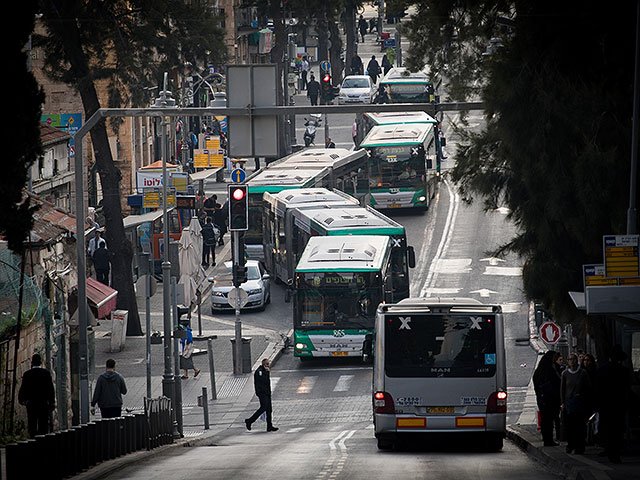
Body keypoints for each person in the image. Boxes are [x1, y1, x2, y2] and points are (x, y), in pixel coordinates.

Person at [596, 345, 631, 463]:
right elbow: (627, 388)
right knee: (618, 429)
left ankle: (609, 449)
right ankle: (615, 452)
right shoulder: (624, 371)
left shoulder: (602, 370)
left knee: (607, 428)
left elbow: (597, 388)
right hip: (619, 405)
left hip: (605, 405)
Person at [561, 353, 592, 454]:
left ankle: (580, 446)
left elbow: (588, 388)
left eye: (574, 359)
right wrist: (563, 403)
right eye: (570, 359)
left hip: (580, 403)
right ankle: (571, 445)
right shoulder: (565, 374)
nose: (572, 361)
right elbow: (562, 389)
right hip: (569, 403)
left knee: (580, 426)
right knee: (570, 426)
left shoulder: (583, 373)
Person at [18, 353, 55, 438]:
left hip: (31, 404)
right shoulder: (46, 373)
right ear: (40, 362)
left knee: (32, 424)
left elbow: (23, 388)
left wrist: (22, 400)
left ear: (32, 362)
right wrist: (52, 402)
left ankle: (33, 440)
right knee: (43, 424)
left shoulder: (27, 374)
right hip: (43, 404)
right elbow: (50, 389)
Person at [533, 350, 562, 446]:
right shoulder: (549, 370)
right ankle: (549, 440)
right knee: (548, 420)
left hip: (543, 399)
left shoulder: (539, 371)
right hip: (549, 399)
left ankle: (547, 439)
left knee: (546, 420)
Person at [244, 358, 278, 432]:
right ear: (263, 364)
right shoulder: (260, 372)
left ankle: (269, 426)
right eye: (267, 364)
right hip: (262, 393)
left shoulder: (264, 371)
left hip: (267, 392)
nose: (268, 366)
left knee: (269, 409)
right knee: (263, 407)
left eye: (268, 364)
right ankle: (249, 421)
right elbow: (263, 381)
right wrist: (267, 372)